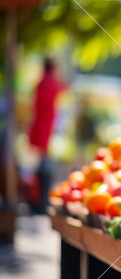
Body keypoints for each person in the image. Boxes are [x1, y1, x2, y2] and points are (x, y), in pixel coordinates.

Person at [28, 57, 66, 214]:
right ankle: (41, 203)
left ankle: (39, 203)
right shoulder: (52, 83)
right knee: (44, 169)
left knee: (39, 167)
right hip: (46, 130)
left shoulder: (41, 83)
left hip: (40, 129)